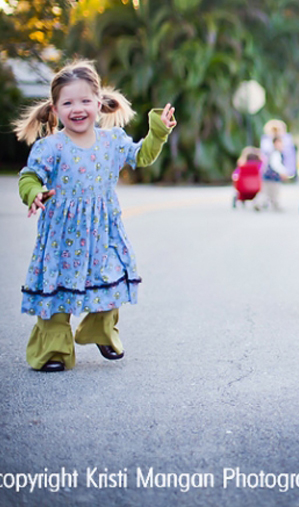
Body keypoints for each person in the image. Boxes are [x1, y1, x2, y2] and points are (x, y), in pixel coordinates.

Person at [14, 59, 177, 372]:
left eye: (85, 100)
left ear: (99, 103)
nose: (78, 108)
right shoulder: (51, 147)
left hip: (103, 232)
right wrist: (33, 192)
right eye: (68, 102)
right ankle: (54, 351)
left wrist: (158, 132)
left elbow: (141, 155)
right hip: (62, 235)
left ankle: (99, 330)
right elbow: (30, 175)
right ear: (56, 107)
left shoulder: (111, 141)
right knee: (57, 289)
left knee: (111, 282)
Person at [258, 136, 289, 211]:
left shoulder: (271, 152)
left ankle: (261, 204)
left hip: (267, 176)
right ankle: (273, 205)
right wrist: (283, 172)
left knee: (267, 192)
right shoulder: (276, 153)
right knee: (273, 192)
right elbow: (276, 165)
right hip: (273, 176)